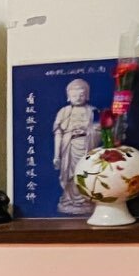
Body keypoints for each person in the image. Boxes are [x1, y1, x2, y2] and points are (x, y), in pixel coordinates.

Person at [53, 77, 98, 215]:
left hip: (87, 146)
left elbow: (100, 131)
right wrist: (56, 156)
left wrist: (89, 131)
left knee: (86, 172)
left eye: (81, 95)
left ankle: (86, 199)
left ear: (87, 95)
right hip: (69, 146)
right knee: (69, 174)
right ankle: (69, 199)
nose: (78, 98)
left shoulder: (92, 111)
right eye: (74, 95)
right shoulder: (64, 111)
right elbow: (58, 134)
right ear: (68, 96)